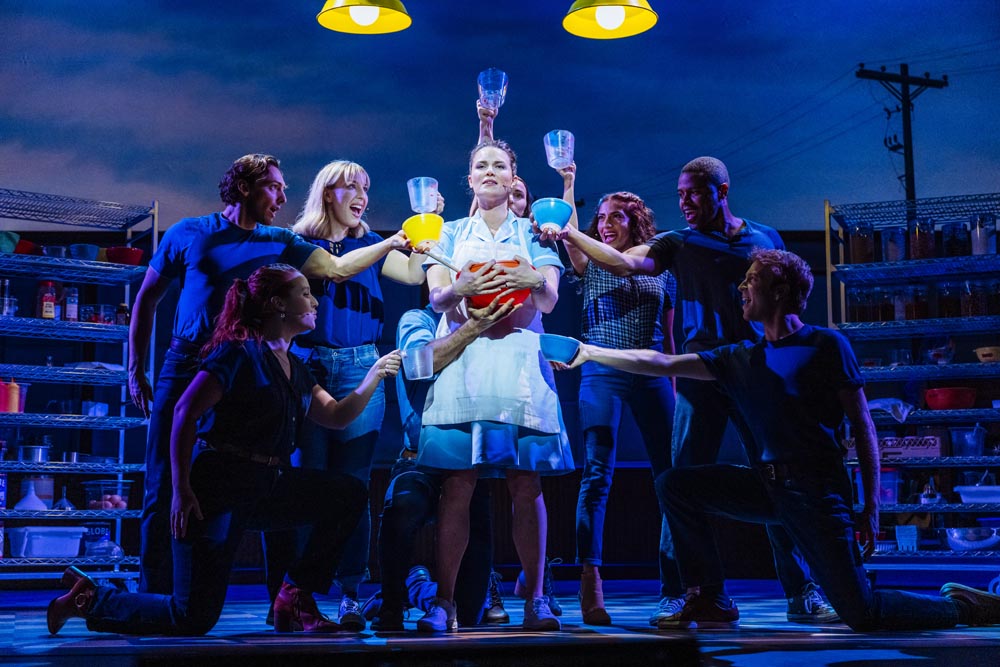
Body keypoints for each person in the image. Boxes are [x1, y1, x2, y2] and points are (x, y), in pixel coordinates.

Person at [562, 248, 1000, 631]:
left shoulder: (826, 345)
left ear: (781, 288)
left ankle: (959, 606)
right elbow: (660, 361)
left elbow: (864, 426)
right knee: (674, 485)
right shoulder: (739, 356)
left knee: (861, 612)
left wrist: (871, 506)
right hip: (767, 488)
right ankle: (707, 594)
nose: (742, 287)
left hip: (816, 495)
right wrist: (592, 352)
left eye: (752, 279)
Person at [550, 156, 834, 626]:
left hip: (755, 370)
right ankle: (688, 590)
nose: (684, 203)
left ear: (721, 191)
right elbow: (622, 264)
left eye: (694, 193)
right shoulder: (676, 242)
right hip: (703, 372)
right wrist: (568, 231)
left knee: (777, 474)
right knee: (679, 480)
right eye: (680, 195)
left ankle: (802, 589)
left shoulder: (764, 239)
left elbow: (790, 301)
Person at [49, 264, 402, 636]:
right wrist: (181, 490)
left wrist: (374, 374)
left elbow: (335, 415)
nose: (315, 301)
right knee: (192, 616)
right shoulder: (238, 353)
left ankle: (294, 595)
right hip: (219, 488)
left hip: (269, 485)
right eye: (304, 293)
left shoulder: (295, 366)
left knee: (348, 494)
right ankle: (91, 597)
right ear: (276, 304)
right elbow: (185, 412)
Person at [128, 153, 411, 596]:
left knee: (267, 478)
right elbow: (147, 299)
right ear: (244, 187)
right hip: (186, 363)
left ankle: (283, 597)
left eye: (283, 188)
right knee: (163, 483)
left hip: (246, 367)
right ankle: (155, 596)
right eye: (274, 187)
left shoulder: (280, 240)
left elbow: (336, 270)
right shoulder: (188, 233)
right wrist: (135, 368)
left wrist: (391, 243)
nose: (282, 197)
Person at [261, 159, 434, 629]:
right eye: (352, 186)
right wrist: (389, 241)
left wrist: (425, 230)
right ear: (327, 192)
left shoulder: (369, 240)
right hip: (310, 368)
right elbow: (335, 272)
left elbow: (415, 275)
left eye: (366, 188)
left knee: (354, 486)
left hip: (361, 364)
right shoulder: (299, 240)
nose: (361, 195)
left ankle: (350, 592)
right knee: (307, 481)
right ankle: (294, 595)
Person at [418, 139, 573, 632]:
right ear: (469, 179)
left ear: (512, 178)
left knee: (525, 484)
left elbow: (547, 301)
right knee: (458, 486)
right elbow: (439, 298)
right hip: (466, 365)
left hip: (520, 371)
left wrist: (530, 274)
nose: (489, 171)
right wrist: (462, 287)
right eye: (480, 165)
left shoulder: (535, 232)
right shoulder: (449, 232)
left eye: (499, 165)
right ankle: (445, 602)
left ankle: (537, 598)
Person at [557, 175, 679, 625]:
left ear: (636, 221)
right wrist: (569, 180)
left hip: (649, 372)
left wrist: (674, 386)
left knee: (670, 478)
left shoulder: (660, 267)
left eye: (616, 217)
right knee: (597, 474)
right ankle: (591, 580)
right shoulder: (589, 259)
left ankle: (676, 587)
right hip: (602, 369)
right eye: (601, 219)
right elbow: (567, 228)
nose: (605, 225)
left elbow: (668, 337)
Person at [367, 294, 521, 631]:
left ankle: (422, 589)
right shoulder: (416, 319)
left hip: (466, 463)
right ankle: (392, 601)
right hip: (417, 459)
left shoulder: (491, 328)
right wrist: (473, 328)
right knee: (400, 511)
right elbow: (421, 363)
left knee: (470, 613)